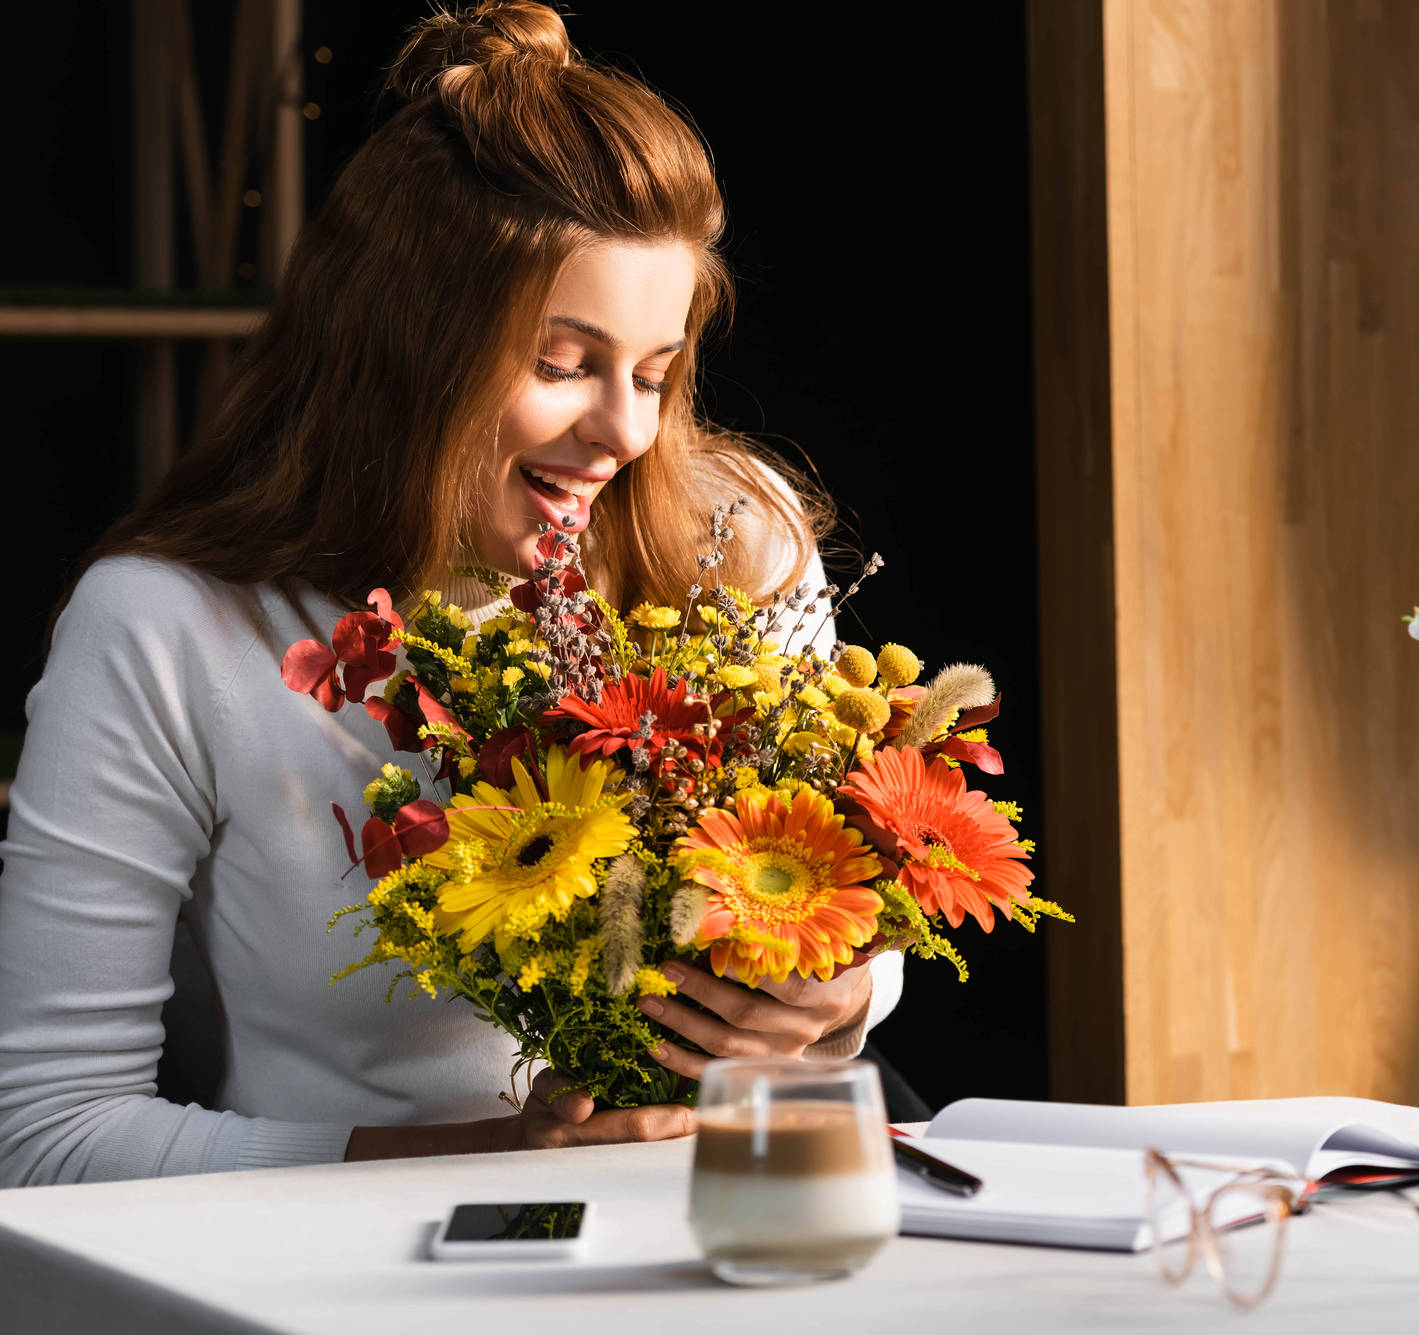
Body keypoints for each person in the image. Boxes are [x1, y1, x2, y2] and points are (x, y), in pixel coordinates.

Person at [0, 0, 902, 1186]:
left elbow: (847, 945)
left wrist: (838, 995)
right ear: (404, 351)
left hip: (732, 1216)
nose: (624, 432)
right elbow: (47, 1139)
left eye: (653, 374)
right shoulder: (167, 626)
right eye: (562, 365)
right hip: (346, 1263)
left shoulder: (732, 541)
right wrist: (504, 1158)